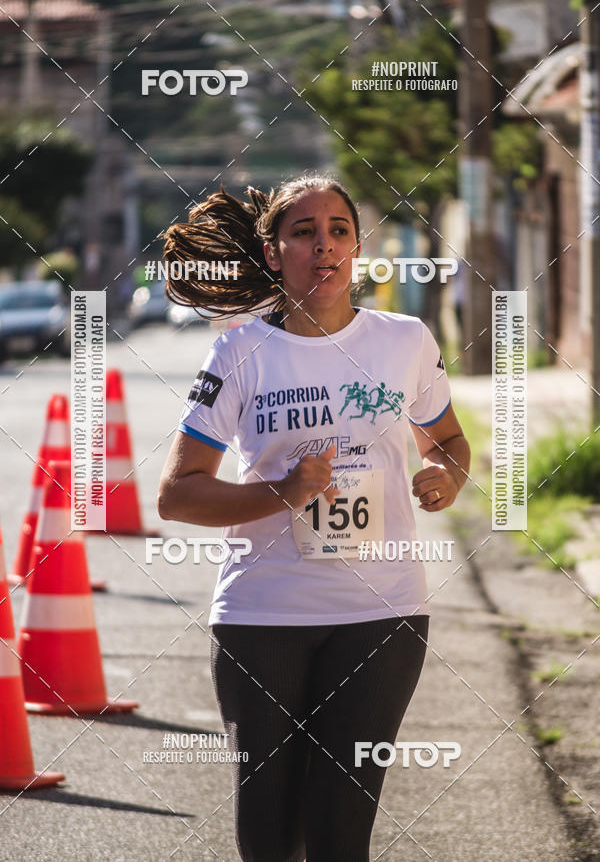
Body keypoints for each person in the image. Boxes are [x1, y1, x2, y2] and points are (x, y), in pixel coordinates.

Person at [157, 175, 470, 862]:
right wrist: (283, 492)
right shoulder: (240, 353)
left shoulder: (405, 340)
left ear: (357, 248)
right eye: (303, 232)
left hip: (382, 614)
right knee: (268, 833)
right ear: (274, 253)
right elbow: (178, 494)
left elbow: (448, 441)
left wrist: (446, 475)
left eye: (337, 231)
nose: (322, 246)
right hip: (262, 614)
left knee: (339, 829)